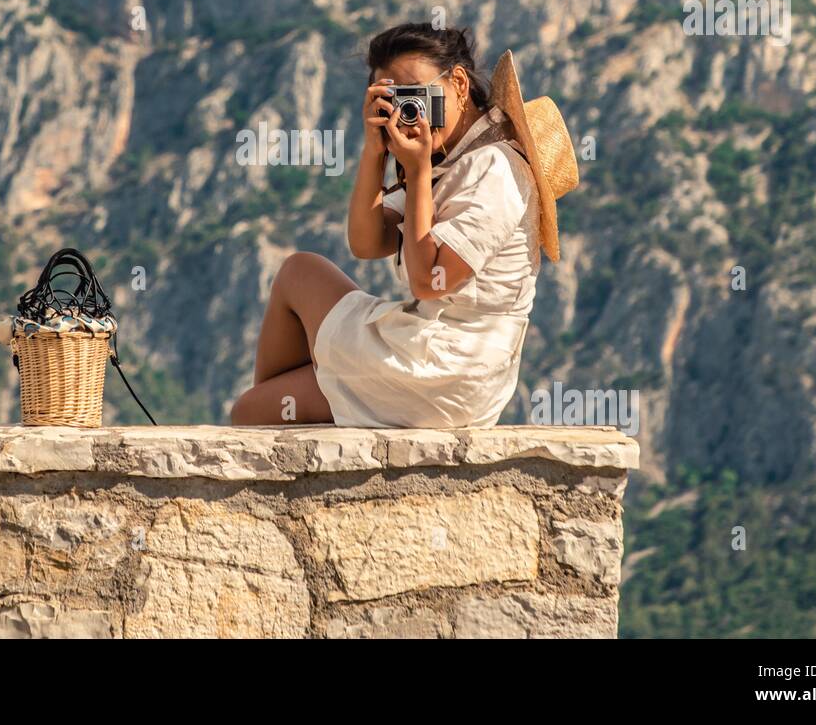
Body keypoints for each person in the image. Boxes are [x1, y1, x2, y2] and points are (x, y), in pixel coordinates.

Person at [229, 22, 578, 428]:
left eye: (417, 94)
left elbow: (431, 280)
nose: (408, 110)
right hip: (434, 358)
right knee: (298, 273)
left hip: (448, 370)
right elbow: (366, 241)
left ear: (459, 84)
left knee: (251, 412)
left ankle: (275, 417)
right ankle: (277, 412)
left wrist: (414, 172)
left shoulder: (494, 168)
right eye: (395, 100)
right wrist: (374, 151)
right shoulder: (448, 160)